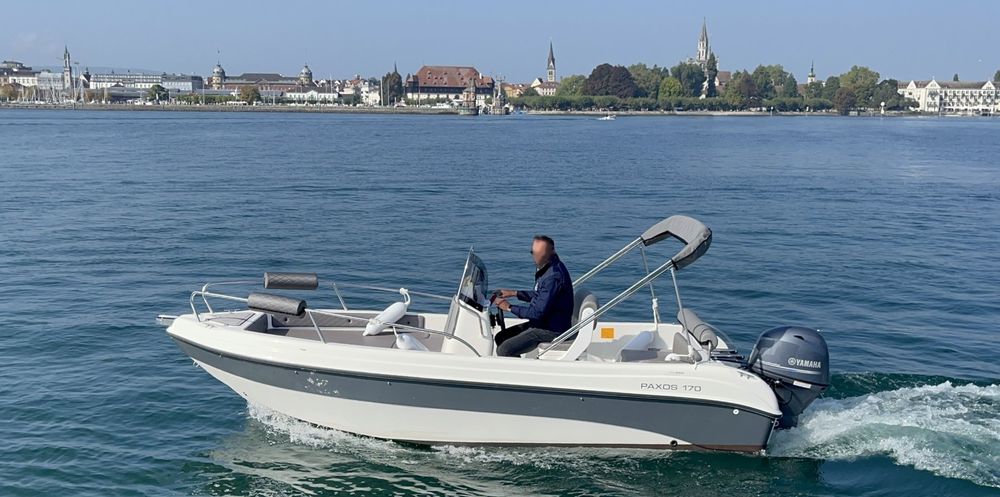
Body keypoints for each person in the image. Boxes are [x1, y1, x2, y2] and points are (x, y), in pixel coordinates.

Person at [493, 235, 574, 357]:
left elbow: (537, 313)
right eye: (533, 253)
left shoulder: (553, 277)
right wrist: (514, 293)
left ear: (550, 253)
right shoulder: (549, 267)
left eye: (539, 254)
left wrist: (509, 307)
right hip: (546, 322)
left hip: (552, 329)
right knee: (501, 337)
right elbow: (540, 295)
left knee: (504, 350)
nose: (535, 257)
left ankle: (519, 374)